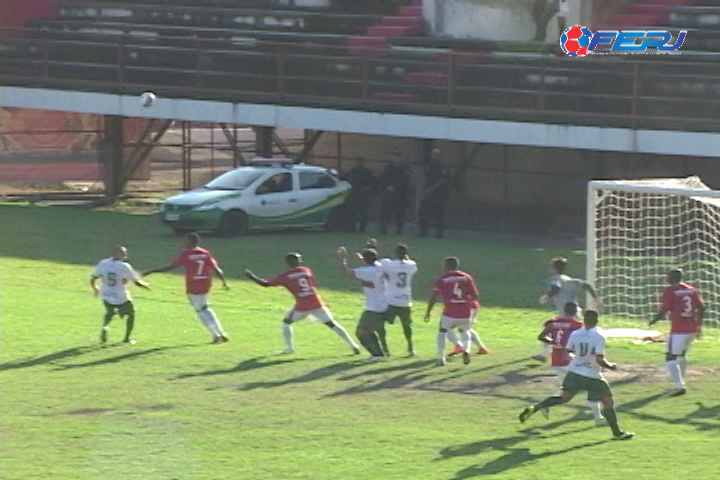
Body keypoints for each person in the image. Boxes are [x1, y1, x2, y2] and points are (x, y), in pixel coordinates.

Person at [519, 311, 634, 441]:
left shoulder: (575, 334)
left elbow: (567, 354)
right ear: (597, 321)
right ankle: (617, 433)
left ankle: (536, 407)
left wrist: (578, 359)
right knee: (607, 401)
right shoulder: (599, 337)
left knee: (564, 398)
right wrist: (611, 366)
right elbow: (599, 359)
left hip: (574, 372)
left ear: (584, 320)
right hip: (592, 375)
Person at [244, 253, 360, 355]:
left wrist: (252, 277)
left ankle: (290, 348)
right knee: (332, 324)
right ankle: (353, 345)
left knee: (286, 323)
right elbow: (312, 285)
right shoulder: (306, 270)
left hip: (302, 306)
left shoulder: (285, 276)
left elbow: (266, 284)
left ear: (288, 262)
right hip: (317, 302)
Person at [144, 233, 229, 343]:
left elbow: (170, 267)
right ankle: (221, 333)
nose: (184, 243)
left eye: (186, 241)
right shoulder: (205, 253)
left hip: (193, 285)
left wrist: (151, 271)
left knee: (200, 311)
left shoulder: (186, 255)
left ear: (191, 242)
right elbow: (216, 268)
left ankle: (216, 335)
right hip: (205, 285)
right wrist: (224, 281)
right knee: (206, 308)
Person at [538, 302, 606, 426]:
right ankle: (598, 418)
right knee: (592, 385)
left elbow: (541, 337)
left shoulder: (553, 322)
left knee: (566, 389)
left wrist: (553, 342)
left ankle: (544, 405)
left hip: (556, 359)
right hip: (570, 360)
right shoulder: (576, 325)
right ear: (576, 311)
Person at [649, 269, 704, 397]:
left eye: (668, 276)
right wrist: (699, 325)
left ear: (673, 278)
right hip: (692, 329)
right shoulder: (691, 289)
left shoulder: (670, 291)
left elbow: (664, 309)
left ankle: (679, 386)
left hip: (679, 330)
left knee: (670, 358)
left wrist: (654, 320)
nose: (666, 279)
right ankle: (680, 381)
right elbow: (702, 307)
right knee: (681, 355)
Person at [536, 256, 601, 361]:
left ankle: (546, 354)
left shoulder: (556, 279)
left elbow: (556, 287)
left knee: (550, 328)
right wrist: (596, 298)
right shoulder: (570, 280)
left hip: (566, 313)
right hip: (574, 311)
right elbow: (587, 286)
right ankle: (545, 353)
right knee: (573, 332)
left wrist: (548, 297)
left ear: (553, 268)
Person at [424, 256, 479, 366]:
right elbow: (475, 295)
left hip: (450, 311)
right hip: (465, 311)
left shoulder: (443, 279)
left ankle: (440, 358)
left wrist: (428, 312)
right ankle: (466, 350)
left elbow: (434, 296)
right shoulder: (466, 277)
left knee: (443, 331)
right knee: (465, 331)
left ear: (446, 266)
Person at [91, 245, 150, 345]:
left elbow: (93, 278)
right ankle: (126, 338)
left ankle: (105, 327)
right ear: (117, 254)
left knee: (110, 312)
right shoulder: (124, 266)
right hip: (120, 295)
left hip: (106, 293)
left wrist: (95, 288)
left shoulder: (103, 263)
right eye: (123, 253)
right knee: (131, 313)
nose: (125, 256)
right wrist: (144, 285)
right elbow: (136, 282)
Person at [336, 246, 387, 361]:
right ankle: (379, 353)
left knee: (360, 332)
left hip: (373, 308)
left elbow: (345, 271)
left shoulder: (366, 272)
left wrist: (342, 257)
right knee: (369, 331)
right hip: (383, 304)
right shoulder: (379, 266)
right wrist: (361, 258)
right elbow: (369, 263)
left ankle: (376, 355)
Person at [379, 243, 418, 357]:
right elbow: (410, 264)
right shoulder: (411, 265)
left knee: (381, 323)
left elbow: (379, 266)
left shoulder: (388, 263)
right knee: (407, 326)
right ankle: (410, 348)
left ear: (395, 253)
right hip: (405, 300)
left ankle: (385, 349)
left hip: (391, 300)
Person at [418, 148, 451, 238]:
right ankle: (423, 231)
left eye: (437, 154)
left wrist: (431, 189)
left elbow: (442, 180)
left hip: (439, 194)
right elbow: (426, 179)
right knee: (424, 212)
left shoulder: (442, 167)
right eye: (433, 154)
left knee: (439, 214)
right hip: (428, 193)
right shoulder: (429, 166)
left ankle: (439, 233)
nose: (435, 156)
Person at [379, 151, 411, 235]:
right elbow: (382, 178)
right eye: (394, 157)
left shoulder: (404, 168)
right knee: (386, 212)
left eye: (398, 157)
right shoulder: (387, 167)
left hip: (400, 194)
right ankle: (383, 229)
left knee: (400, 214)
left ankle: (399, 231)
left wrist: (395, 187)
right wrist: (386, 187)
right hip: (388, 193)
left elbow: (405, 180)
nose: (396, 159)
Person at [342, 157, 375, 233]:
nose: (359, 163)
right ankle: (352, 228)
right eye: (358, 162)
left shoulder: (367, 172)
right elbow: (344, 178)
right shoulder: (353, 171)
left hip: (363, 195)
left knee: (363, 213)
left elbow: (372, 183)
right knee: (352, 213)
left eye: (361, 162)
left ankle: (362, 229)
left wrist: (366, 189)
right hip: (354, 195)